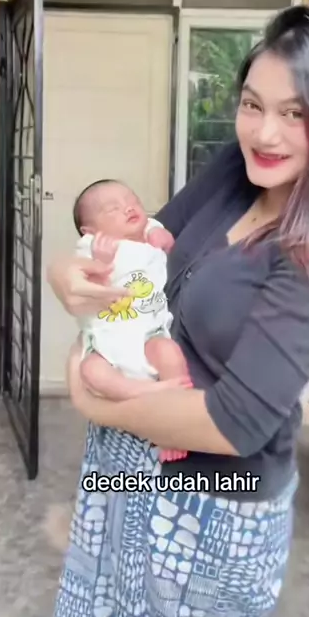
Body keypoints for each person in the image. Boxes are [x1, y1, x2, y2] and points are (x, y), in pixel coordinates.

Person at [48, 5, 309, 617]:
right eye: (253, 105)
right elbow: (144, 244)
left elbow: (235, 426)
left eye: (295, 114)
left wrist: (92, 399)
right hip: (126, 466)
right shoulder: (239, 169)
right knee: (103, 606)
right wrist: (63, 272)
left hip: (215, 498)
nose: (265, 133)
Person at [73, 178, 191, 461]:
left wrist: (163, 236)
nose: (128, 208)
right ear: (90, 230)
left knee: (169, 353)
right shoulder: (90, 247)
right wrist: (99, 264)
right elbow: (83, 289)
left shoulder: (149, 231)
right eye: (112, 208)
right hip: (108, 342)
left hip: (149, 333)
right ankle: (145, 391)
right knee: (90, 370)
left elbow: (164, 238)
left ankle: (173, 425)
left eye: (132, 201)